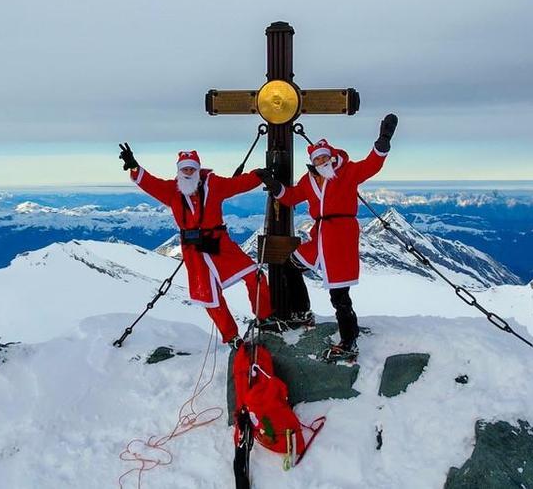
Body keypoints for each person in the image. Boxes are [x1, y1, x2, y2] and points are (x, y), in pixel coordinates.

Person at [119, 144, 281, 348]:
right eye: (184, 169)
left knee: (253, 275)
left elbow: (237, 184)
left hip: (220, 244)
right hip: (193, 250)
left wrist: (259, 176)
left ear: (198, 169)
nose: (188, 173)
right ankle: (231, 336)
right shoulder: (171, 190)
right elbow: (150, 183)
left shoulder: (213, 184)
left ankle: (264, 316)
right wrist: (135, 167)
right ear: (179, 171)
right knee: (209, 296)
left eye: (191, 169)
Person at [275, 113, 398, 361]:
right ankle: (301, 311)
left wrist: (382, 144)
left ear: (331, 157)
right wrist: (275, 187)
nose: (321, 160)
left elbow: (370, 165)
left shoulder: (348, 172)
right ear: (312, 161)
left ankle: (349, 341)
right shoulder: (308, 180)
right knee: (290, 264)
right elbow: (291, 197)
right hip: (319, 236)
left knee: (339, 294)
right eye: (317, 158)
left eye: (324, 156)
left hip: (340, 237)